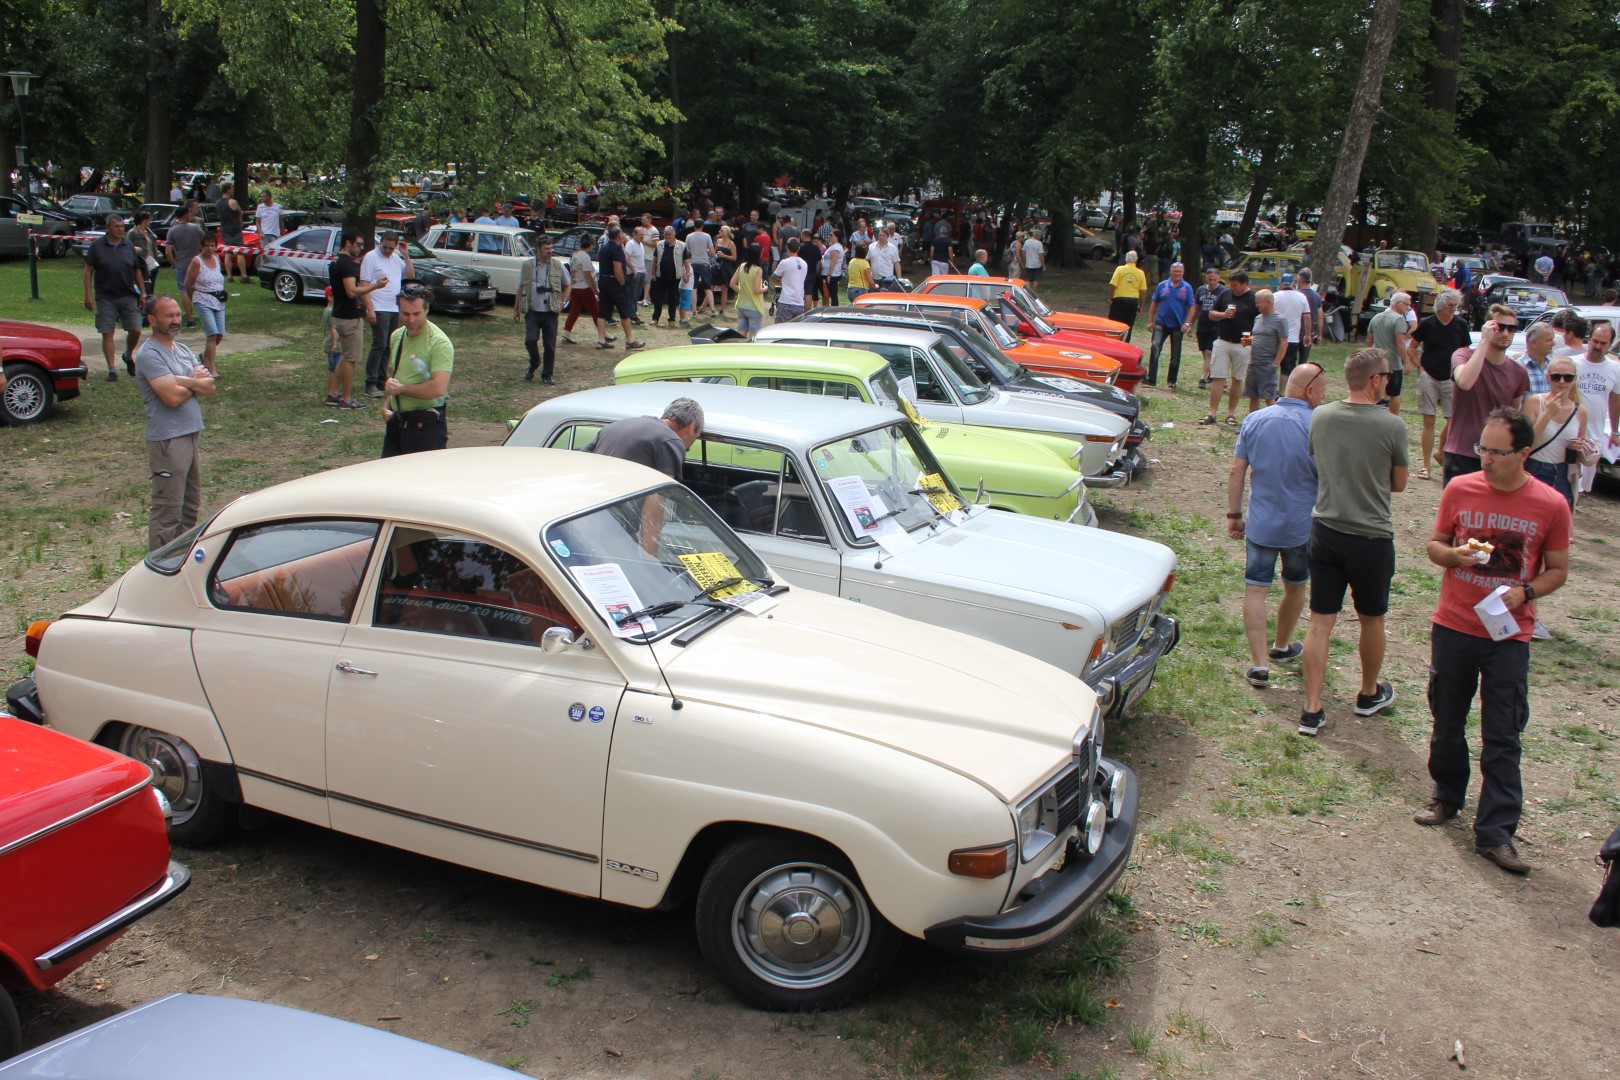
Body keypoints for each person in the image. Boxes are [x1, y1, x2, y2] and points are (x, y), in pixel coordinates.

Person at [1416, 408, 1570, 874]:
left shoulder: (1550, 504)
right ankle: (1446, 797)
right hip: (1455, 624)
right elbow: (1434, 545)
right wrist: (1454, 554)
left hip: (1508, 636)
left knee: (1503, 734)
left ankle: (1496, 833)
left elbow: (1558, 570)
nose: (1484, 458)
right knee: (1447, 718)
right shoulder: (1460, 488)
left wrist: (1526, 591)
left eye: (1497, 452)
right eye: (1482, 448)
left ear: (1524, 453)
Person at [1299, 347, 1410, 737]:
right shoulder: (1392, 426)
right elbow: (1398, 483)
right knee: (1371, 617)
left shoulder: (1321, 415)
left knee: (1319, 622)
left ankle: (1311, 708)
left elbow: (1317, 459)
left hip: (1326, 530)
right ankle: (1367, 693)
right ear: (1376, 380)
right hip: (1371, 537)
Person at [1227, 363, 1326, 690]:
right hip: (1301, 525)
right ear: (1310, 391)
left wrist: (1234, 514)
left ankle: (1259, 665)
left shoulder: (1255, 419)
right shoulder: (1317, 425)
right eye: (1322, 391)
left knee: (1256, 589)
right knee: (1296, 584)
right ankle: (1282, 645)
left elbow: (1237, 472)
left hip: (1262, 524)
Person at [135, 296, 214, 551]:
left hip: (191, 433)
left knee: (190, 507)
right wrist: (193, 381)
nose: (175, 321)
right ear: (152, 320)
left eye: (178, 315)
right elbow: (170, 397)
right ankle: (159, 567)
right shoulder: (149, 354)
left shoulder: (181, 350)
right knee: (168, 509)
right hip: (169, 440)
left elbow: (209, 386)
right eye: (169, 316)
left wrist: (184, 380)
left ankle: (180, 559)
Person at [1444, 305, 1529, 484]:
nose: (1505, 333)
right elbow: (1465, 382)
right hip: (1461, 451)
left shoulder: (1519, 372)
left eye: (1511, 328)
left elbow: (1513, 417)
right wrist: (1483, 341)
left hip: (1497, 455)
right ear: (1488, 327)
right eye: (1499, 327)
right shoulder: (1463, 355)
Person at [381, 285, 454, 456]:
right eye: (406, 314)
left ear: (427, 309)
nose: (411, 319)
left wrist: (401, 389)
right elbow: (398, 375)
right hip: (397, 421)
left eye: (416, 314)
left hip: (424, 426)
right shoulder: (397, 336)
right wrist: (387, 404)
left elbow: (437, 389)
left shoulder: (439, 343)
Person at [1410, 288, 1470, 481]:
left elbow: (1465, 350)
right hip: (1429, 375)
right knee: (1429, 421)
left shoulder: (1461, 324)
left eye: (1456, 305)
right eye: (1451, 305)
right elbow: (1411, 347)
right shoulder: (1428, 323)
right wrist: (1420, 369)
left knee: (1453, 420)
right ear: (1441, 306)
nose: (1454, 309)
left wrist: (1462, 371)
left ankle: (1441, 452)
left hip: (1451, 377)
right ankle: (1426, 466)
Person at [328, 229, 389, 409]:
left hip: (339, 313)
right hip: (349, 316)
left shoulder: (336, 261)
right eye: (359, 244)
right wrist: (376, 286)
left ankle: (332, 394)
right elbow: (352, 291)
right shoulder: (347, 264)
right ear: (348, 243)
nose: (361, 248)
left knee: (346, 356)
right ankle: (346, 398)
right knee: (350, 358)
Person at [83, 214, 146, 381]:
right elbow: (88, 270)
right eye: (117, 226)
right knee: (107, 332)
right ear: (108, 228)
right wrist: (88, 294)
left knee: (136, 329)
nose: (120, 229)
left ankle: (128, 354)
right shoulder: (97, 246)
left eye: (122, 226)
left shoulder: (128, 245)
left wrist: (142, 293)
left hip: (127, 294)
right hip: (106, 296)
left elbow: (137, 270)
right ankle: (112, 369)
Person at [1522, 354, 1586, 507]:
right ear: (1548, 377)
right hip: (1534, 469)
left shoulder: (1580, 411)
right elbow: (1525, 443)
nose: (1562, 381)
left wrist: (1579, 448)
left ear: (1574, 379)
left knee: (1556, 527)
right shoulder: (1534, 402)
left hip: (1563, 474)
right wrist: (1547, 414)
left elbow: (1579, 449)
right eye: (1557, 377)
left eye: (1568, 377)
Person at [587, 397, 704, 480]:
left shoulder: (612, 427)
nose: (688, 449)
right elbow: (658, 497)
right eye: (695, 437)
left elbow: (583, 457)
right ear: (691, 427)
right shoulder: (671, 441)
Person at [1201, 270, 1257, 426]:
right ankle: (1212, 412)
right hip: (1223, 340)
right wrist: (1224, 315)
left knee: (1238, 378)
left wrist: (1250, 340)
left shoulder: (1253, 298)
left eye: (1235, 285)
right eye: (1231, 285)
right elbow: (1211, 314)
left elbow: (1260, 320)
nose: (1232, 288)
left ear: (1245, 284)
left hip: (1244, 340)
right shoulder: (1225, 294)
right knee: (1218, 376)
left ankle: (1230, 413)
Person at [361, 231, 412, 397]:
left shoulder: (396, 258)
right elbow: (364, 284)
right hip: (379, 307)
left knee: (390, 345)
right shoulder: (370, 257)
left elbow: (410, 276)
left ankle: (381, 380)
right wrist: (370, 308)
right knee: (379, 344)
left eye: (392, 248)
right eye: (385, 247)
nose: (388, 251)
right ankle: (371, 382)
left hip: (393, 308)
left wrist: (406, 255)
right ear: (380, 243)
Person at [1574, 318, 1620, 500]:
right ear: (1589, 339)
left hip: (1594, 435)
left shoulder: (1615, 369)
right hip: (1570, 432)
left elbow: (1615, 401)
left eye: (1603, 343)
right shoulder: (1573, 363)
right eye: (1595, 341)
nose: (1597, 346)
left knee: (1583, 487)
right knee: (1570, 483)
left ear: (1609, 345)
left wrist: (1615, 432)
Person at [514, 236, 571, 384]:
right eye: (546, 249)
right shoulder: (527, 266)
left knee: (550, 346)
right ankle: (534, 362)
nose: (550, 251)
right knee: (530, 340)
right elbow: (520, 287)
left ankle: (547, 375)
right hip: (532, 310)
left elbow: (569, 285)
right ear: (538, 250)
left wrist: (562, 303)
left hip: (550, 311)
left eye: (551, 248)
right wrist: (516, 309)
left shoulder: (558, 265)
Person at [1144, 261, 1194, 388]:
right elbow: (1154, 303)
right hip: (1161, 323)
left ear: (1183, 273)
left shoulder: (1187, 288)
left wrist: (1187, 323)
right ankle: (1151, 378)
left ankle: (1172, 381)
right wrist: (1150, 320)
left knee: (1175, 353)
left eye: (1180, 272)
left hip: (1178, 325)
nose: (1177, 274)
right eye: (1175, 271)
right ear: (1170, 271)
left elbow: (1192, 307)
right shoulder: (1162, 285)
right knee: (1155, 348)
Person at [183, 233, 227, 377]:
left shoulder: (217, 259)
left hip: (218, 300)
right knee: (212, 334)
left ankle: (205, 355)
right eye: (206, 245)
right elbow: (188, 283)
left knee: (220, 334)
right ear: (202, 246)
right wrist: (195, 298)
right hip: (202, 299)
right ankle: (211, 367)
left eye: (212, 245)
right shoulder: (197, 262)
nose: (209, 248)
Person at [1365, 291, 1415, 415]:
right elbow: (1400, 343)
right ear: (1398, 303)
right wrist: (1407, 362)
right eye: (1406, 305)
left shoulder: (1376, 317)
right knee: (1394, 394)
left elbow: (1369, 339)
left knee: (1375, 391)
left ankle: (1372, 415)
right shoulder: (1399, 319)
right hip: (1393, 363)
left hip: (1376, 361)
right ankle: (1394, 419)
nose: (1408, 308)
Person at [597, 225, 646, 350]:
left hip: (603, 281)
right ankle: (630, 340)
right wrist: (623, 284)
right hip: (615, 283)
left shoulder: (604, 248)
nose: (623, 236)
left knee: (602, 312)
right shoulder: (617, 249)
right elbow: (617, 268)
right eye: (622, 234)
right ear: (619, 236)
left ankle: (601, 340)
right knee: (624, 312)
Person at [563, 238, 613, 349]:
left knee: (575, 310)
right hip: (584, 287)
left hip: (576, 286)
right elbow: (587, 275)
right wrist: (594, 290)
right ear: (590, 245)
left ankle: (566, 331)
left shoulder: (575, 254)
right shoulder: (585, 256)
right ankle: (603, 334)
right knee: (596, 311)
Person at [1242, 288, 1287, 412]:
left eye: (1259, 302)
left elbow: (1284, 343)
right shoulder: (1258, 318)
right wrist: (1249, 340)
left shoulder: (1280, 320)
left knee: (1268, 397)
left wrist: (1276, 363)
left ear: (1269, 302)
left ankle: (1275, 422)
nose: (1256, 305)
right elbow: (1256, 336)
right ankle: (1252, 424)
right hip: (1253, 363)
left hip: (1267, 364)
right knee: (1253, 396)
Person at [1271, 274, 1313, 378]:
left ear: (1281, 283)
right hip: (1292, 338)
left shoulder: (1274, 297)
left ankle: (1271, 390)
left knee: (1273, 364)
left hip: (1275, 337)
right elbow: (1307, 317)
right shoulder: (1301, 297)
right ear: (1293, 284)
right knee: (1288, 367)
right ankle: (1282, 392)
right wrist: (1307, 335)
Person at [650, 225, 688, 327]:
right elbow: (654, 260)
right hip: (660, 276)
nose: (667, 237)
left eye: (669, 235)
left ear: (674, 234)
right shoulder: (659, 245)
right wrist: (653, 273)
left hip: (675, 277)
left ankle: (672, 319)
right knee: (658, 298)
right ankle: (655, 318)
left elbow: (686, 261)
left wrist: (686, 273)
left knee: (673, 299)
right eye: (666, 235)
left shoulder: (682, 245)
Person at [1107, 251, 1148, 342]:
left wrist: (1110, 297)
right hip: (1133, 301)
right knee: (1128, 325)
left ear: (1126, 259)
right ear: (1136, 260)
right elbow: (1143, 291)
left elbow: (1113, 285)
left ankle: (1113, 341)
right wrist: (1141, 305)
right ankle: (1125, 343)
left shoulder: (1120, 269)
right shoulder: (1140, 273)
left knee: (1115, 323)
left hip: (1119, 299)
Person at [731, 243, 769, 339]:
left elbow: (732, 284)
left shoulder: (742, 266)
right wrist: (765, 288)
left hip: (742, 305)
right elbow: (756, 290)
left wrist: (741, 291)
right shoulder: (758, 270)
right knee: (753, 337)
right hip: (754, 307)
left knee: (741, 334)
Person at [1194, 265, 1222, 390]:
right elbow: (1196, 308)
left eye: (1214, 280)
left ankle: (1203, 378)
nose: (1212, 282)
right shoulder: (1200, 290)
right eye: (1210, 280)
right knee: (1204, 352)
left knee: (1210, 352)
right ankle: (1212, 372)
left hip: (1216, 326)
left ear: (1219, 278)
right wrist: (1190, 323)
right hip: (1202, 325)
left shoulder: (1223, 291)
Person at [214, 183, 248, 283]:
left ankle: (229, 276)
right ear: (228, 190)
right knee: (240, 252)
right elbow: (240, 212)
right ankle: (243, 275)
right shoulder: (233, 202)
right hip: (235, 229)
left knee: (227, 252)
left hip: (224, 229)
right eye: (232, 188)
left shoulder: (218, 202)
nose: (233, 190)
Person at [773, 236, 809, 322]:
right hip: (799, 302)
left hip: (786, 301)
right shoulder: (804, 264)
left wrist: (779, 281)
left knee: (780, 329)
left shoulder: (784, 263)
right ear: (798, 249)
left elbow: (773, 278)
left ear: (787, 248)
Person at [1517, 321, 1555, 397]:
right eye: (1548, 340)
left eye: (1552, 339)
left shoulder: (1554, 367)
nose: (1553, 343)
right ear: (1534, 343)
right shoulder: (1517, 368)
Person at [713, 225, 737, 314]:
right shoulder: (718, 241)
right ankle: (705, 307)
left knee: (724, 288)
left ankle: (722, 309)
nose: (719, 232)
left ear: (726, 233)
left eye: (721, 230)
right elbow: (714, 253)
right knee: (711, 286)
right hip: (717, 265)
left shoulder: (731, 244)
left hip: (726, 267)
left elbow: (734, 257)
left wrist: (724, 256)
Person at [822, 230, 844, 307]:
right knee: (828, 294)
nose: (829, 237)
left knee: (833, 294)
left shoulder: (836, 247)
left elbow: (833, 261)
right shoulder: (832, 246)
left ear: (837, 237)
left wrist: (829, 275)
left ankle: (834, 310)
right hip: (828, 273)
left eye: (831, 235)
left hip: (833, 274)